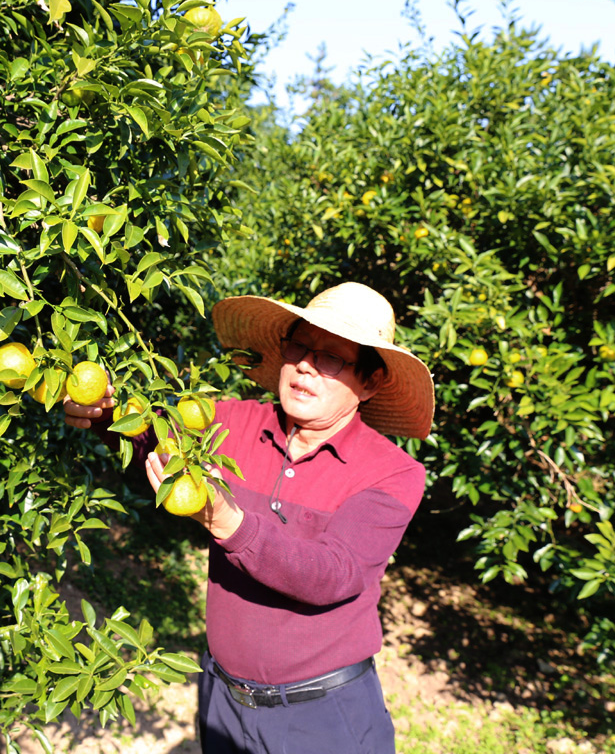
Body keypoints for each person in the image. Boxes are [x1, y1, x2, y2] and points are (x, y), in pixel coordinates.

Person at [64, 282, 435, 754]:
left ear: (370, 382)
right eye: (299, 347)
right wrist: (102, 413)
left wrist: (229, 523)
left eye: (330, 358)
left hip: (322, 719)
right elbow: (152, 436)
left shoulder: (392, 473)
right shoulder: (231, 423)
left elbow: (333, 574)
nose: (305, 364)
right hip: (223, 700)